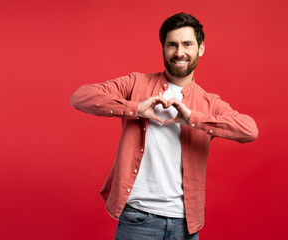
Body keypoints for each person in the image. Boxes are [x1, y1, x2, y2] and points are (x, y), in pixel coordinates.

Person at [71, 12, 258, 240]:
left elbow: (250, 130)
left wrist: (193, 118)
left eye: (187, 44)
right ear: (163, 48)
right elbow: (81, 97)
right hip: (137, 219)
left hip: (185, 224)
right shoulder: (137, 83)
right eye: (172, 45)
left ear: (200, 49)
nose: (179, 52)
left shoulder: (209, 103)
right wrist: (136, 109)